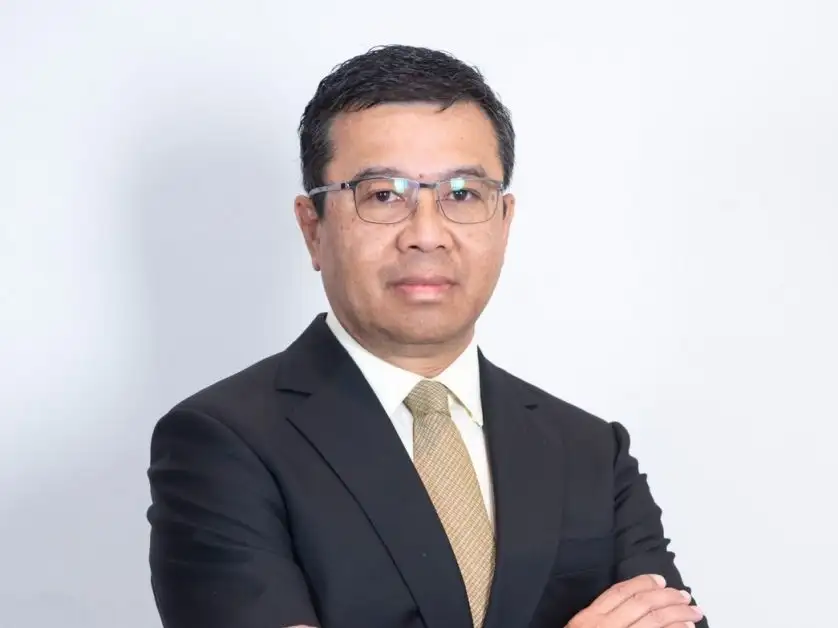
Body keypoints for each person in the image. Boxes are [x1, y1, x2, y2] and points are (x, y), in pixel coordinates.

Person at [146, 44, 709, 628]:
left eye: (462, 194)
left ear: (504, 221)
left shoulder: (590, 451)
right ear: (313, 228)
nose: (426, 234)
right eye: (383, 195)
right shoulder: (223, 443)